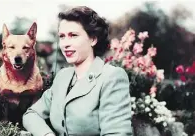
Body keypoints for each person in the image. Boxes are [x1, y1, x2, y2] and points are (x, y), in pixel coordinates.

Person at [22, 6, 133, 136]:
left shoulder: (111, 77)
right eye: (62, 36)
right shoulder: (62, 77)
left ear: (93, 39)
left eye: (73, 35)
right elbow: (32, 114)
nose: (65, 44)